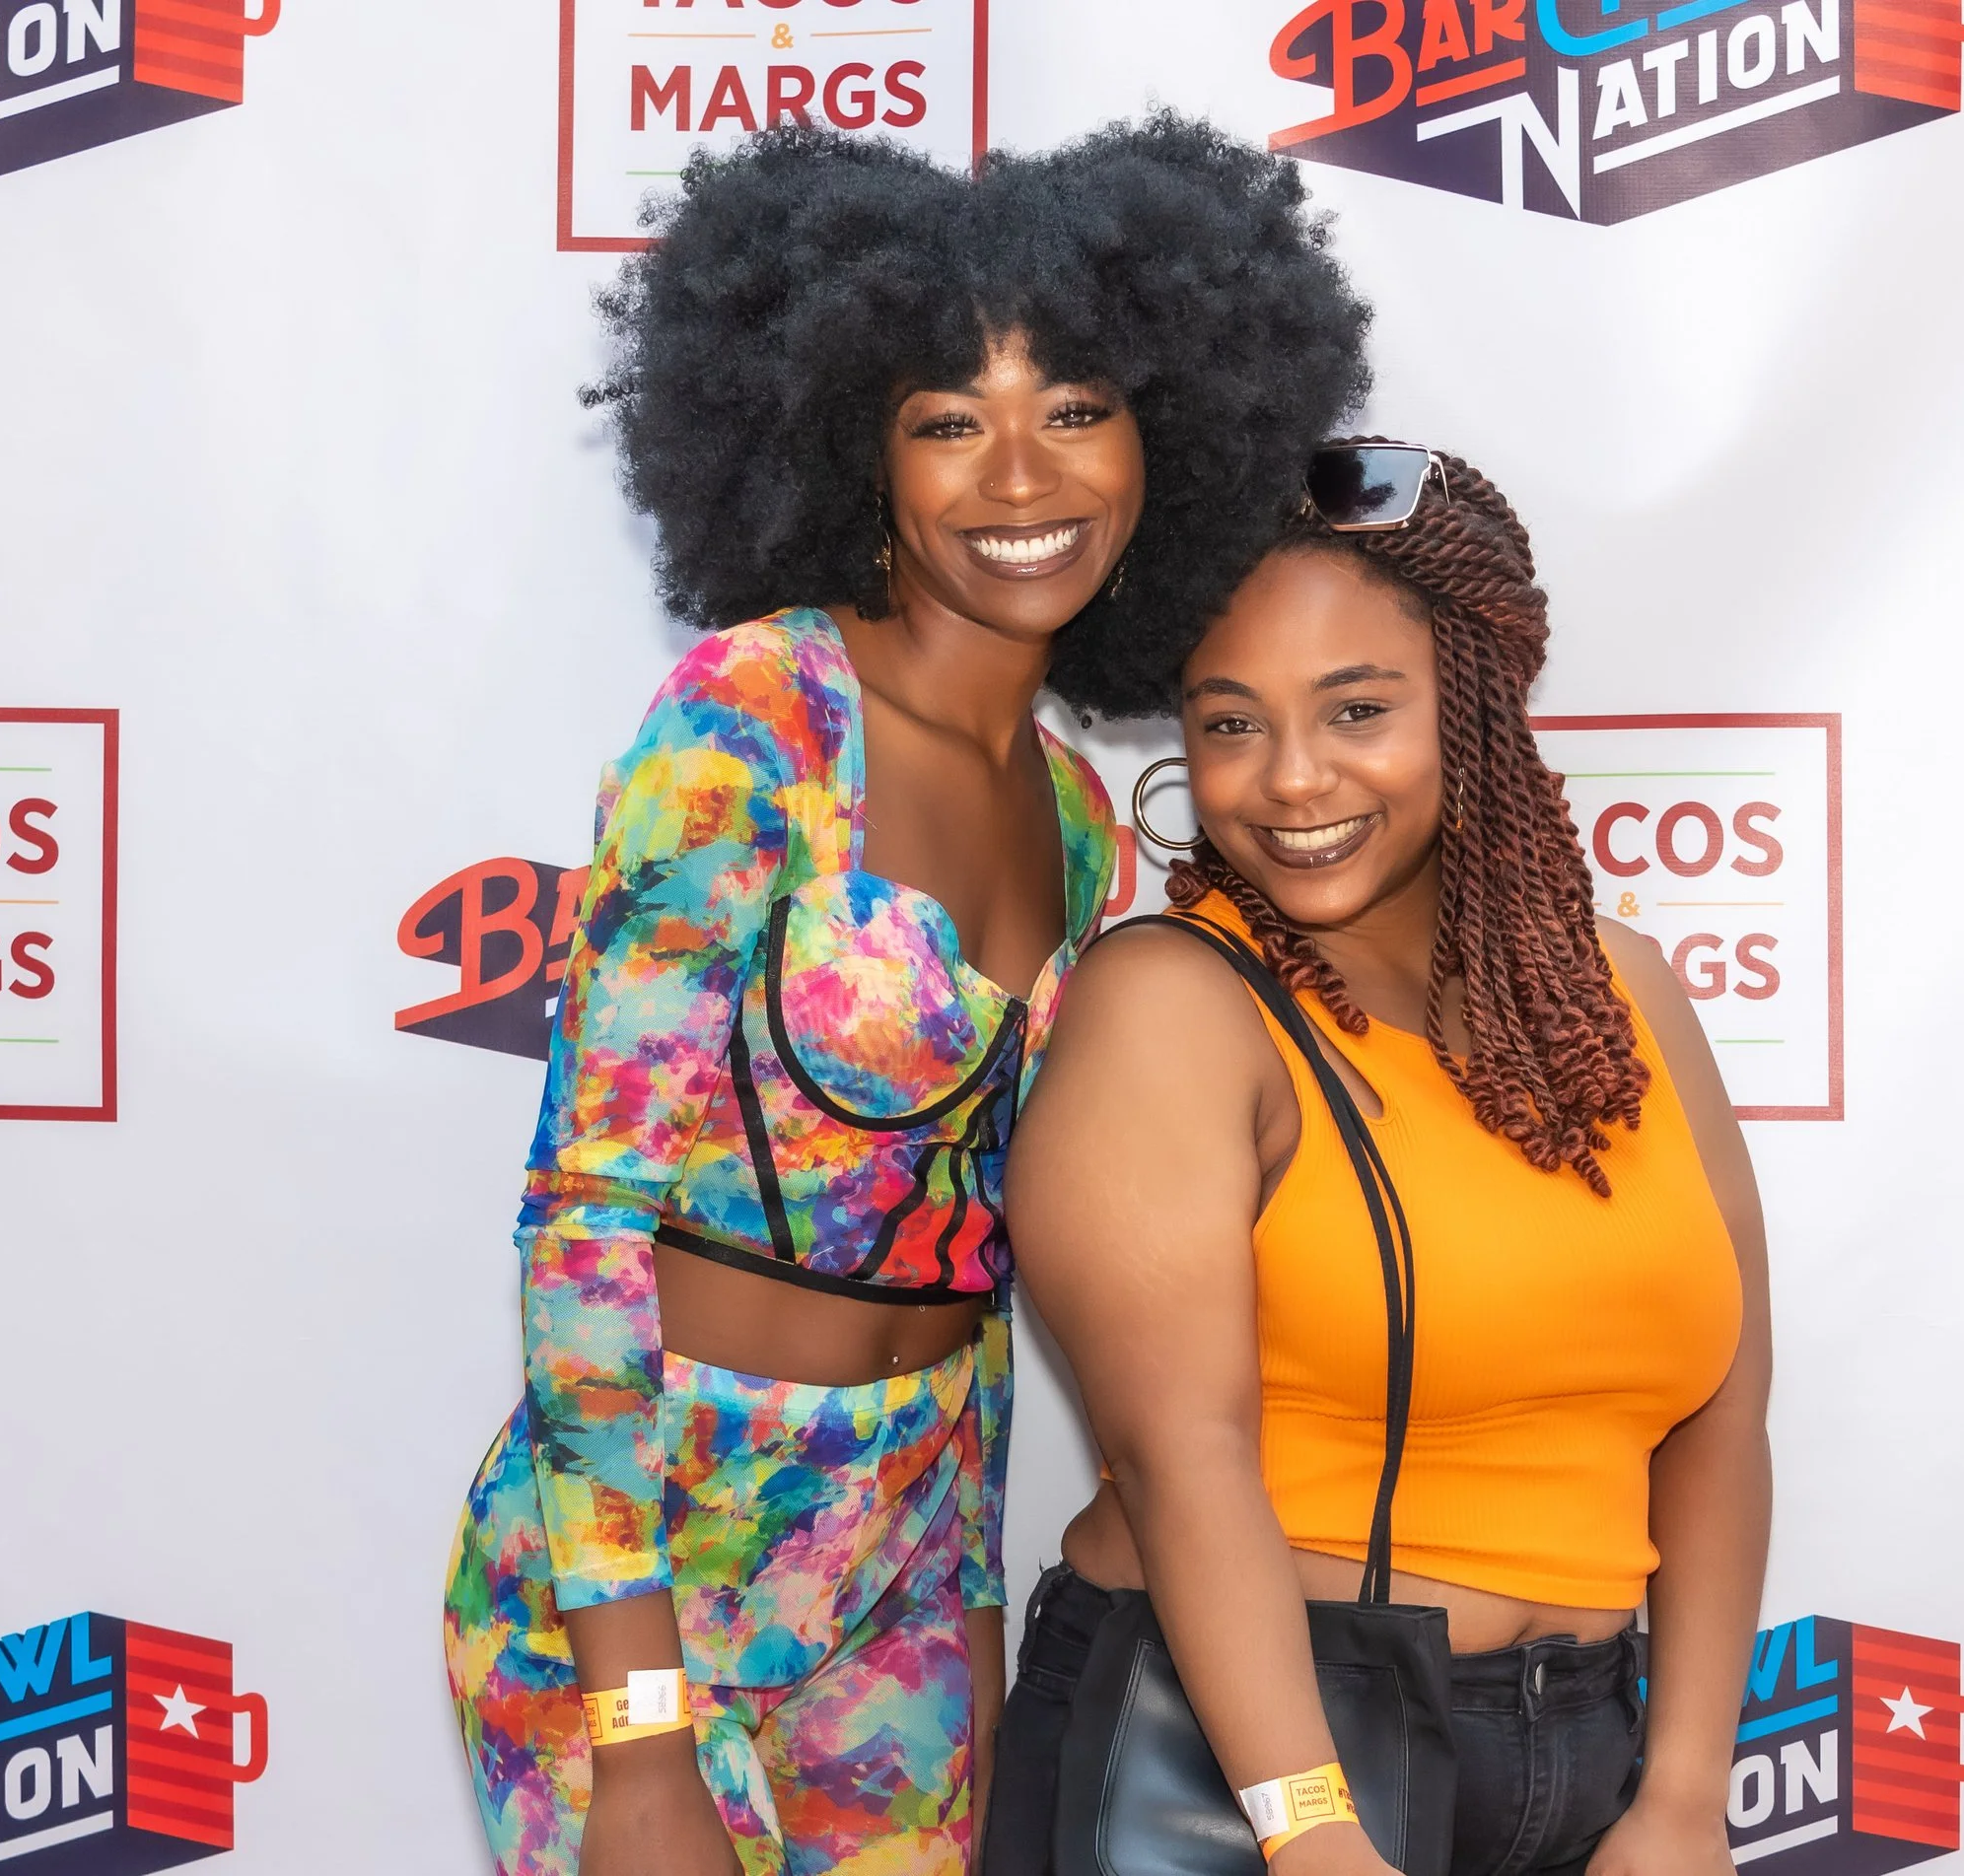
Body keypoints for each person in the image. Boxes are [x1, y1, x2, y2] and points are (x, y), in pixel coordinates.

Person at [441, 121, 1368, 1876]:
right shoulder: (757, 722)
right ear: (854, 450)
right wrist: (640, 1738)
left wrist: (976, 1646)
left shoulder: (1091, 831)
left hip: (909, 1576)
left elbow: (1002, 1275)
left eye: (1076, 406)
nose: (1025, 473)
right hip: (649, 1567)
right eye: (950, 418)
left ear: (1167, 435)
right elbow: (584, 1221)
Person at [993, 445, 1773, 1876]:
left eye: (1357, 709)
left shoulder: (1626, 996)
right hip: (1237, 1763)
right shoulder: (1171, 1003)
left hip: (1589, 1758)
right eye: (1231, 723)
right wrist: (1306, 1825)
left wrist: (1680, 1793)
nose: (1291, 781)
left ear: (1473, 714)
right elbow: (1186, 1455)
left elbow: (1720, 1417)